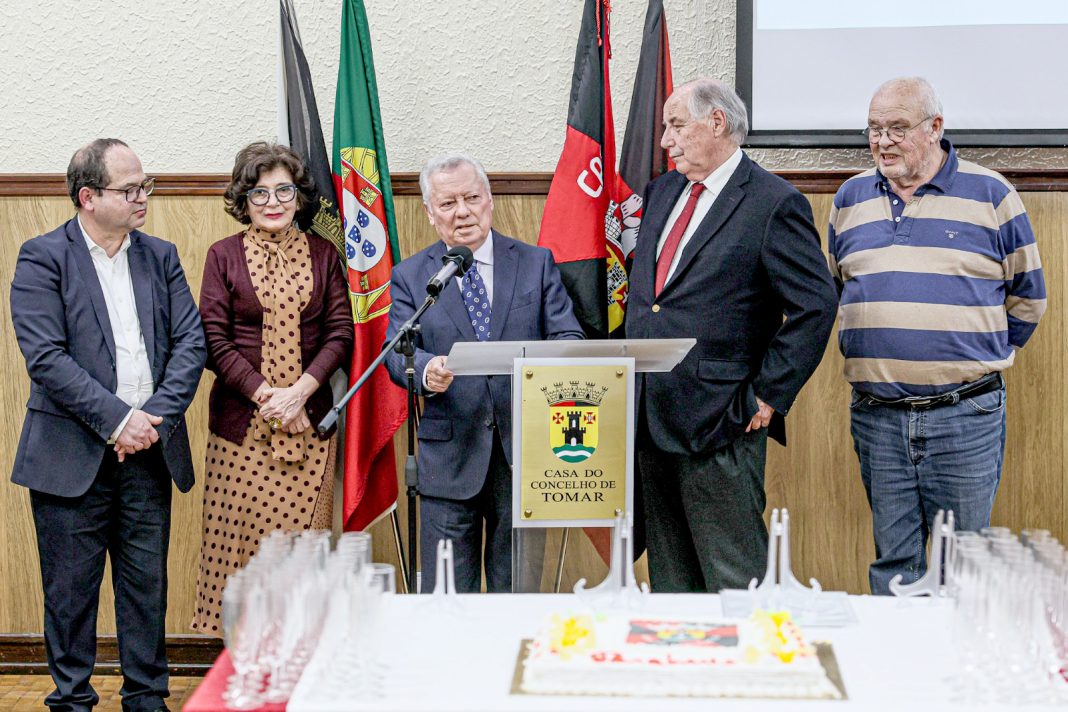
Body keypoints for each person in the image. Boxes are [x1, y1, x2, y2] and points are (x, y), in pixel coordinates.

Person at [828, 77, 1046, 595]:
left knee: (962, 569)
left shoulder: (993, 194)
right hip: (877, 416)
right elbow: (839, 288)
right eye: (875, 129)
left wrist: (971, 355)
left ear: (935, 128)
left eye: (897, 128)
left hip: (965, 415)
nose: (883, 142)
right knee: (894, 567)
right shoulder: (849, 197)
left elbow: (1028, 300)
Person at [10, 138, 206, 712]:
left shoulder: (161, 255)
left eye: (145, 184)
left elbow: (190, 344)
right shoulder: (42, 256)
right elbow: (46, 357)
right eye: (130, 188)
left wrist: (150, 420)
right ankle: (71, 699)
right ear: (88, 197)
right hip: (71, 456)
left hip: (149, 451)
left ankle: (146, 697)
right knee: (70, 594)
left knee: (145, 587)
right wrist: (119, 421)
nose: (143, 196)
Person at [626, 79, 838, 594]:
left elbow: (816, 304)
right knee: (672, 583)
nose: (665, 141)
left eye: (676, 126)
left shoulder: (772, 202)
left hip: (724, 418)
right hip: (650, 417)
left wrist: (769, 394)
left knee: (734, 580)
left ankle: (750, 674)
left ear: (716, 122)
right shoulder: (662, 192)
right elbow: (653, 301)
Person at [385, 152, 583, 593]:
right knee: (447, 599)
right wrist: (425, 367)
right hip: (449, 460)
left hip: (525, 457)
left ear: (489, 200)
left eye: (472, 198)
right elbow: (396, 354)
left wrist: (543, 367)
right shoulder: (413, 276)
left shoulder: (534, 263)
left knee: (516, 595)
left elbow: (569, 336)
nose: (463, 212)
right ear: (430, 212)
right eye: (448, 203)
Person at [191, 142, 353, 634]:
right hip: (243, 433)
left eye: (283, 190)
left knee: (301, 557)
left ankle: (299, 663)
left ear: (298, 196)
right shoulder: (223, 256)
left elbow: (341, 332)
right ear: (243, 201)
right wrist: (270, 397)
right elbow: (212, 340)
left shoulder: (325, 255)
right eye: (259, 194)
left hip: (309, 428)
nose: (273, 202)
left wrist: (300, 393)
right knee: (244, 558)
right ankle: (242, 667)